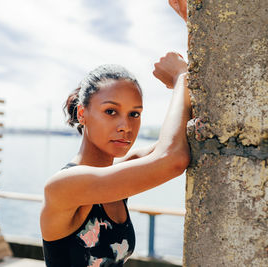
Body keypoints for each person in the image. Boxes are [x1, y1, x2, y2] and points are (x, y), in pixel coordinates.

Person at [41, 2, 190, 267]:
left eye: (135, 114)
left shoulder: (118, 179)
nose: (126, 126)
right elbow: (173, 159)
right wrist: (181, 78)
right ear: (82, 113)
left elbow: (180, 139)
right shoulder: (64, 187)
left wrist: (193, 23)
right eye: (111, 112)